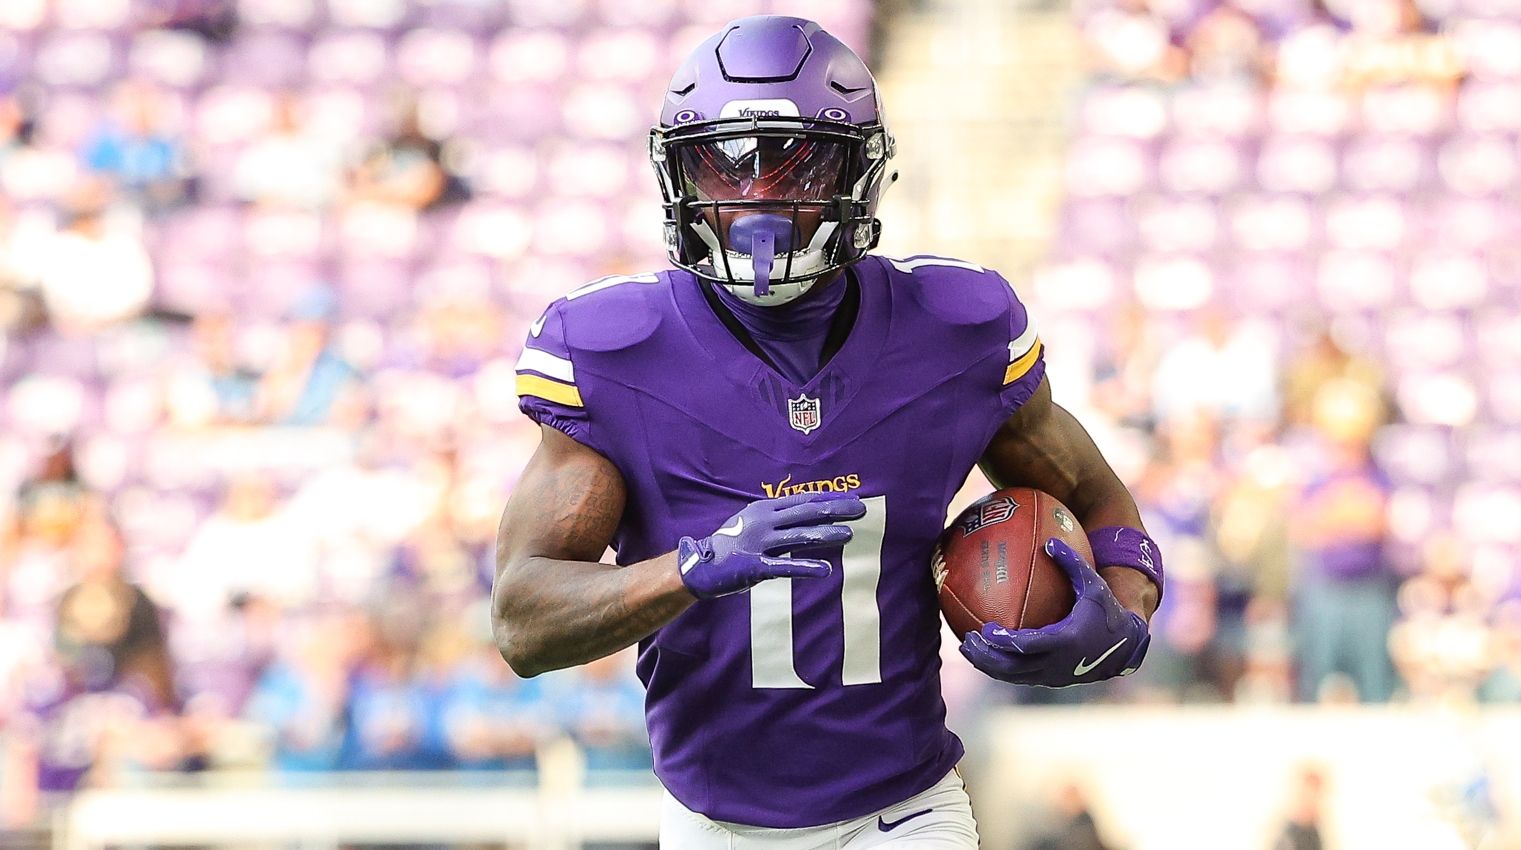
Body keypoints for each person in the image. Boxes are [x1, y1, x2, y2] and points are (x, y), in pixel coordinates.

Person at [492, 17, 1164, 848]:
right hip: (711, 822)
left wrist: (1125, 614)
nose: (757, 201)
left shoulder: (953, 330)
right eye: (724, 166)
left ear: (862, 174)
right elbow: (522, 622)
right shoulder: (614, 351)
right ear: (675, 171)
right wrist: (690, 571)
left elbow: (1093, 493)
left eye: (795, 164)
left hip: (903, 809)